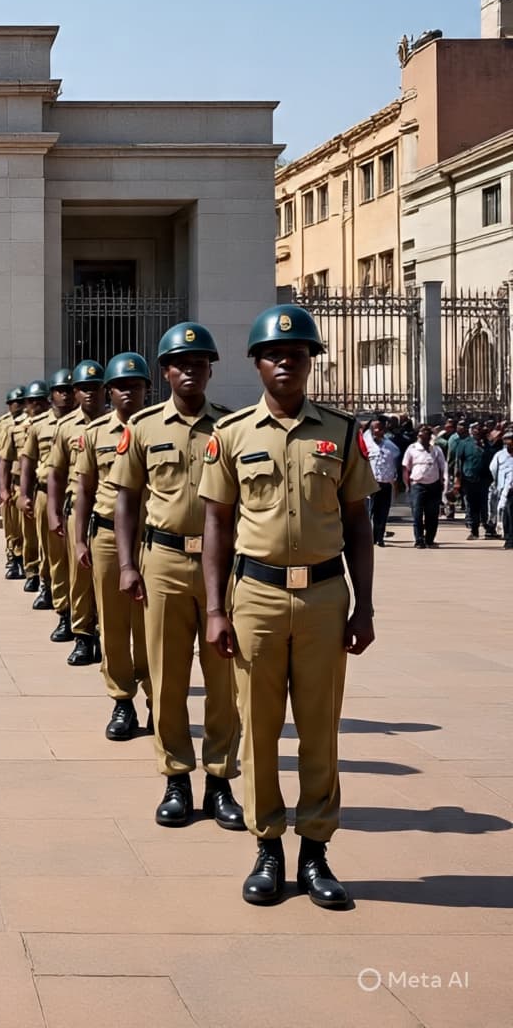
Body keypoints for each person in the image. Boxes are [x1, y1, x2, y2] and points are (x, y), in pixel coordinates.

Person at [200, 303, 376, 909]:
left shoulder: (343, 433)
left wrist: (366, 607)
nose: (285, 362)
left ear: (310, 363)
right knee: (260, 728)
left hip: (327, 596)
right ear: (256, 363)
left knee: (321, 729)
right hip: (257, 597)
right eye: (274, 354)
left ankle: (317, 850)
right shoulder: (231, 436)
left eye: (297, 354)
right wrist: (217, 609)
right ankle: (268, 847)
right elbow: (218, 524)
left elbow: (359, 523)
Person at [111, 323, 244, 831]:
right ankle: (175, 778)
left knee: (222, 680)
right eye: (180, 363)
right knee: (166, 678)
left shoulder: (231, 428)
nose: (190, 371)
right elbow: (126, 501)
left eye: (199, 363)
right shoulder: (142, 427)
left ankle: (219, 780)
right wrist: (126, 564)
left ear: (211, 369)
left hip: (221, 567)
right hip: (162, 563)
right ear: (164, 370)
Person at [72, 353, 152, 739]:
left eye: (136, 386)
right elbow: (84, 490)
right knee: (115, 627)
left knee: (154, 626)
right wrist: (78, 539)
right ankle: (123, 701)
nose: (128, 393)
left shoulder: (156, 429)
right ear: (109, 392)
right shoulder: (95, 434)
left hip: (152, 539)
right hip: (105, 535)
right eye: (121, 387)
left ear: (147, 390)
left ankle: (158, 699)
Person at [47, 360, 106, 666]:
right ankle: (82, 634)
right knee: (79, 575)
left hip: (111, 510)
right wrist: (54, 513)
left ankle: (108, 638)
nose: (90, 394)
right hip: (76, 509)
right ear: (75, 392)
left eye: (95, 388)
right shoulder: (65, 428)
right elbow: (55, 474)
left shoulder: (121, 425)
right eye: (84, 388)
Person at [20, 368, 74, 633]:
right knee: (51, 552)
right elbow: (27, 463)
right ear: (52, 394)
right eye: (59, 390)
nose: (65, 395)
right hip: (44, 493)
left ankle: (78, 613)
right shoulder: (39, 426)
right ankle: (58, 601)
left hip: (75, 497)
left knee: (76, 558)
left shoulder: (86, 425)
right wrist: (23, 495)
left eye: (69, 390)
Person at [3, 380, 49, 597]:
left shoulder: (54, 425)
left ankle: (47, 579)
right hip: (21, 485)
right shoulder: (15, 427)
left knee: (46, 538)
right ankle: (31, 571)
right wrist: (2, 488)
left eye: (41, 399)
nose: (36, 404)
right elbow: (3, 458)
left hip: (45, 487)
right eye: (31, 401)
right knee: (27, 534)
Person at [0, 388, 25, 579]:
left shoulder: (31, 424)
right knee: (11, 525)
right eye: (17, 402)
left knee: (24, 528)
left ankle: (24, 560)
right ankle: (12, 556)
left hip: (24, 482)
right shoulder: (3, 424)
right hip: (11, 481)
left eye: (23, 402)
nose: (20, 406)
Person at [402, 424, 447, 548]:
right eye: (422, 434)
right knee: (417, 513)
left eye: (427, 434)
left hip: (434, 485)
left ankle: (430, 539)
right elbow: (406, 468)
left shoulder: (436, 450)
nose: (424, 436)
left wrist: (442, 483)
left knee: (432, 514)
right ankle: (419, 539)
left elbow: (442, 468)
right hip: (417, 485)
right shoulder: (412, 449)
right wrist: (407, 485)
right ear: (418, 435)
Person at [362, 418, 400, 548]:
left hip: (385, 483)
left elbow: (395, 464)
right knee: (369, 512)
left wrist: (395, 482)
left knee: (383, 512)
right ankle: (369, 537)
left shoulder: (390, 446)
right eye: (377, 428)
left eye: (381, 428)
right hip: (371, 483)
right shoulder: (366, 445)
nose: (380, 430)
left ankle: (379, 537)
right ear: (372, 430)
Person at [449, 420, 489, 541]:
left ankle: (488, 527)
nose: (478, 430)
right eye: (475, 428)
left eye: (480, 428)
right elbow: (458, 462)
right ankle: (474, 530)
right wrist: (457, 480)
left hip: (486, 480)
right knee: (472, 505)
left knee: (485, 504)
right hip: (469, 479)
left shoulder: (489, 444)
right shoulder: (464, 444)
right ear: (471, 431)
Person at [491, 427, 513, 548]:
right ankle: (509, 539)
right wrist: (499, 482)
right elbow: (493, 469)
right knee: (507, 513)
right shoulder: (500, 455)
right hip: (507, 489)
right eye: (507, 442)